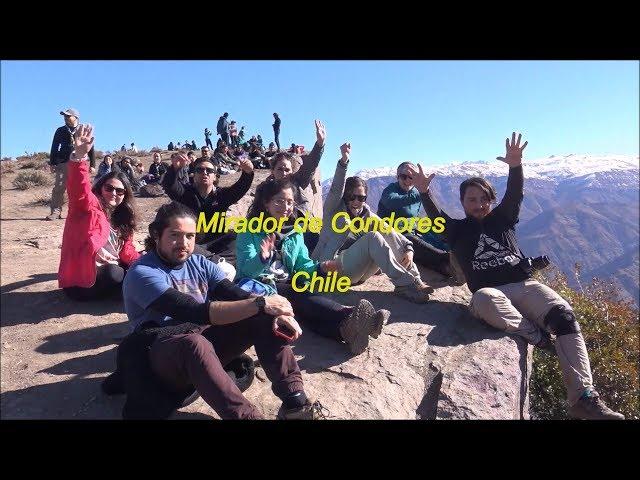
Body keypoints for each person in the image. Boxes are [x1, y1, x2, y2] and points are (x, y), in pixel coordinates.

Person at [414, 132, 624, 420]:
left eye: (483, 199)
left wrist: (515, 166)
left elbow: (515, 194)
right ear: (462, 202)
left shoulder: (503, 219)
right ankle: (535, 336)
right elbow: (435, 214)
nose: (477, 204)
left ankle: (583, 397)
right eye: (471, 199)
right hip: (491, 295)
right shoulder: (455, 231)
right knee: (486, 298)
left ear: (491, 199)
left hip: (524, 285)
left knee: (564, 316)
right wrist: (425, 192)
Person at [120, 201, 325, 419]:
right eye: (175, 235)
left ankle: (296, 404)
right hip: (162, 353)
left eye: (190, 236)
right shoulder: (143, 272)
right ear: (156, 234)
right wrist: (261, 304)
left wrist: (274, 311)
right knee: (195, 342)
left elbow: (236, 294)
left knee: (262, 316)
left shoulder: (199, 263)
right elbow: (194, 310)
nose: (184, 243)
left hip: (203, 341)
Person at [236, 179, 390, 354]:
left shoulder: (294, 232)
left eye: (289, 202)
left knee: (301, 307)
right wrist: (261, 259)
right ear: (266, 203)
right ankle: (350, 316)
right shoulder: (249, 231)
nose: (285, 207)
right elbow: (245, 271)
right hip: (258, 287)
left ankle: (346, 331)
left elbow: (302, 265)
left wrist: (319, 268)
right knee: (299, 295)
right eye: (279, 201)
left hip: (285, 284)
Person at [312, 143, 434, 304]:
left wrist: (409, 249)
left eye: (361, 198)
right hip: (332, 270)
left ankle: (416, 280)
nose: (356, 201)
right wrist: (344, 161)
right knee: (373, 237)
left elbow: (390, 232)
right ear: (345, 196)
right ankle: (404, 285)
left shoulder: (366, 214)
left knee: (382, 229)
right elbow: (335, 189)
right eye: (351, 196)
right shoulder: (333, 211)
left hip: (358, 273)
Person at [58, 124, 141, 301]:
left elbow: (127, 253)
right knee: (115, 273)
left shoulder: (123, 219)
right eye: (109, 188)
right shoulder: (87, 207)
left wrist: (145, 263)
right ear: (100, 188)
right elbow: (78, 188)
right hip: (81, 283)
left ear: (125, 195)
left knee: (138, 270)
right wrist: (79, 156)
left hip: (109, 277)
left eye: (120, 191)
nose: (114, 193)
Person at [161, 152, 254, 263]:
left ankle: (210, 262)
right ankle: (215, 263)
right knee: (184, 247)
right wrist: (174, 168)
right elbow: (169, 185)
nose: (205, 173)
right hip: (193, 242)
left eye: (209, 171)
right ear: (194, 175)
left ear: (215, 176)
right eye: (200, 170)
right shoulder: (184, 193)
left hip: (218, 241)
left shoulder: (222, 195)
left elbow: (241, 187)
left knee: (235, 239)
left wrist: (248, 172)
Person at [254, 120, 326, 251]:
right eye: (280, 169)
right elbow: (255, 213)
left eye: (287, 169)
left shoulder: (297, 181)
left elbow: (310, 165)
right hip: (275, 231)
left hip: (303, 228)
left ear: (292, 171)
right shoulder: (264, 189)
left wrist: (319, 144)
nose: (284, 173)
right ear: (273, 171)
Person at [377, 161, 453, 277]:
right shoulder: (390, 190)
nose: (408, 180)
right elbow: (393, 202)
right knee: (410, 240)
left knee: (437, 228)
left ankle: (454, 254)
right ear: (397, 176)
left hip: (412, 230)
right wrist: (422, 192)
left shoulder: (416, 191)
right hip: (392, 236)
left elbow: (431, 209)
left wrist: (423, 192)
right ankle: (447, 261)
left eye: (412, 177)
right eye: (404, 176)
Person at [47, 108, 96, 220]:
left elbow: (91, 148)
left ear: (76, 117)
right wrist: (53, 162)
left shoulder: (82, 130)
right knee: (59, 187)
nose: (65, 118)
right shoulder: (60, 130)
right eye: (64, 116)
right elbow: (54, 146)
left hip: (80, 163)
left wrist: (92, 164)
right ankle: (55, 211)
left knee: (80, 188)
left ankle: (78, 211)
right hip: (63, 162)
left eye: (68, 116)